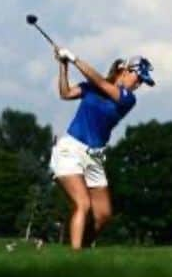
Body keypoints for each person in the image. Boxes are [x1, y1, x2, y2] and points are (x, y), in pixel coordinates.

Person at [50, 46, 155, 250]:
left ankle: (83, 249)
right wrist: (63, 66)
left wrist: (73, 58)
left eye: (143, 81)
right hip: (70, 149)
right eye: (139, 77)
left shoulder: (127, 98)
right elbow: (66, 93)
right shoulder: (93, 88)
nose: (139, 83)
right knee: (83, 205)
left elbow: (97, 81)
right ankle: (75, 255)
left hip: (95, 156)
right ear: (125, 71)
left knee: (104, 214)